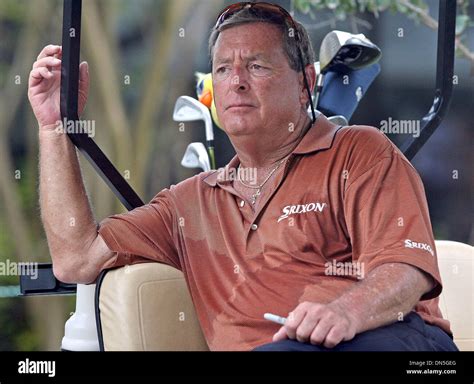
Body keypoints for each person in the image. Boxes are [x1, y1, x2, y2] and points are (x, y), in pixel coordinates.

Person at [28, 1, 457, 352]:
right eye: (223, 69)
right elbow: (76, 259)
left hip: (389, 339)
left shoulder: (359, 151)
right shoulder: (189, 202)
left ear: (306, 82)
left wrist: (345, 311)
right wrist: (53, 127)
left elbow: (405, 271)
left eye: (257, 66)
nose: (236, 82)